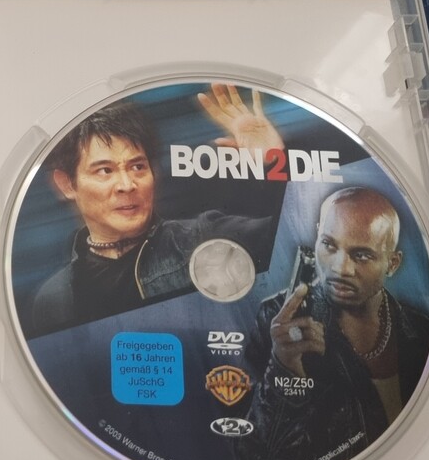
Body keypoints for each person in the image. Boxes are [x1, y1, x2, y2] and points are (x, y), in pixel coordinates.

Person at [29, 83, 285, 336]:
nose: (127, 185)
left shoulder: (201, 238)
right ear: (67, 184)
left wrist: (275, 160)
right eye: (105, 170)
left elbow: (294, 233)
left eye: (137, 167)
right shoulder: (53, 299)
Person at [239, 187, 429, 460]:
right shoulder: (276, 322)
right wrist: (283, 370)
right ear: (317, 237)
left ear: (392, 264)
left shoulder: (422, 331)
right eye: (329, 245)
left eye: (362, 255)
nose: (340, 268)